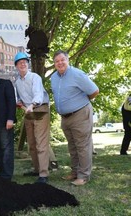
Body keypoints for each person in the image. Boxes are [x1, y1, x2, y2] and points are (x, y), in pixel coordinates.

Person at [51, 50, 99, 186]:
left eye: (62, 60)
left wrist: (80, 103)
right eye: (56, 61)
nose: (60, 63)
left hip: (80, 114)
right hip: (65, 117)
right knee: (72, 146)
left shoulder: (77, 74)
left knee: (82, 145)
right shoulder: (54, 77)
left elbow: (94, 91)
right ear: (54, 64)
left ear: (68, 60)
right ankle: (75, 172)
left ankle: (83, 176)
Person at [14, 52, 51, 184]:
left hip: (40, 110)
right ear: (16, 66)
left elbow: (38, 94)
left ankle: (43, 174)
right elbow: (18, 98)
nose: (23, 64)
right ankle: (37, 169)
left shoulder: (35, 77)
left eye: (25, 61)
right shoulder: (17, 82)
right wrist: (19, 102)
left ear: (28, 64)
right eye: (20, 62)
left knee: (41, 143)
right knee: (32, 144)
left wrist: (32, 104)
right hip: (28, 112)